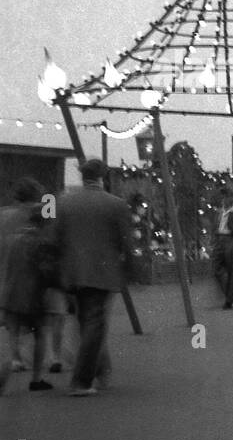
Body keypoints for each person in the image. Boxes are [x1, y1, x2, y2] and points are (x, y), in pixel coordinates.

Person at [52, 158, 133, 397]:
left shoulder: (64, 203)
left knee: (86, 321)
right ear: (103, 177)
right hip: (102, 273)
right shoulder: (116, 205)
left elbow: (55, 239)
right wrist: (130, 270)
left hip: (71, 273)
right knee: (94, 324)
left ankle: (101, 369)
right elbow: (126, 242)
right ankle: (82, 380)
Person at [0, 177, 55, 392]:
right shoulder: (43, 216)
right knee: (41, 330)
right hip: (33, 285)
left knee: (11, 329)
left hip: (7, 280)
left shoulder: (3, 215)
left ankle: (13, 360)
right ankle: (38, 375)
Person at [212, 186, 233, 309]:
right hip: (220, 241)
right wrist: (215, 241)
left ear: (231, 199)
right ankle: (231, 292)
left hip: (231, 240)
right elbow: (215, 227)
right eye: (222, 197)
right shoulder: (220, 212)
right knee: (217, 269)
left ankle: (229, 300)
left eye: (226, 197)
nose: (223, 200)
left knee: (232, 272)